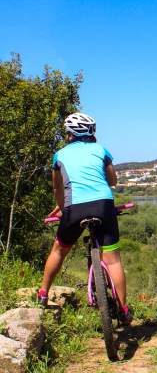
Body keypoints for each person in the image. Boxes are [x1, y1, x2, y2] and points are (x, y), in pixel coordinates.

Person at [38, 112, 132, 324]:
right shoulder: (101, 150)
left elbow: (58, 188)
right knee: (113, 258)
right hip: (103, 205)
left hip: (74, 209)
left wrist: (63, 209)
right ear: (91, 132)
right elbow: (113, 181)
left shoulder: (59, 155)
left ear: (69, 134)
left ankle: (43, 294)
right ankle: (124, 310)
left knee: (59, 250)